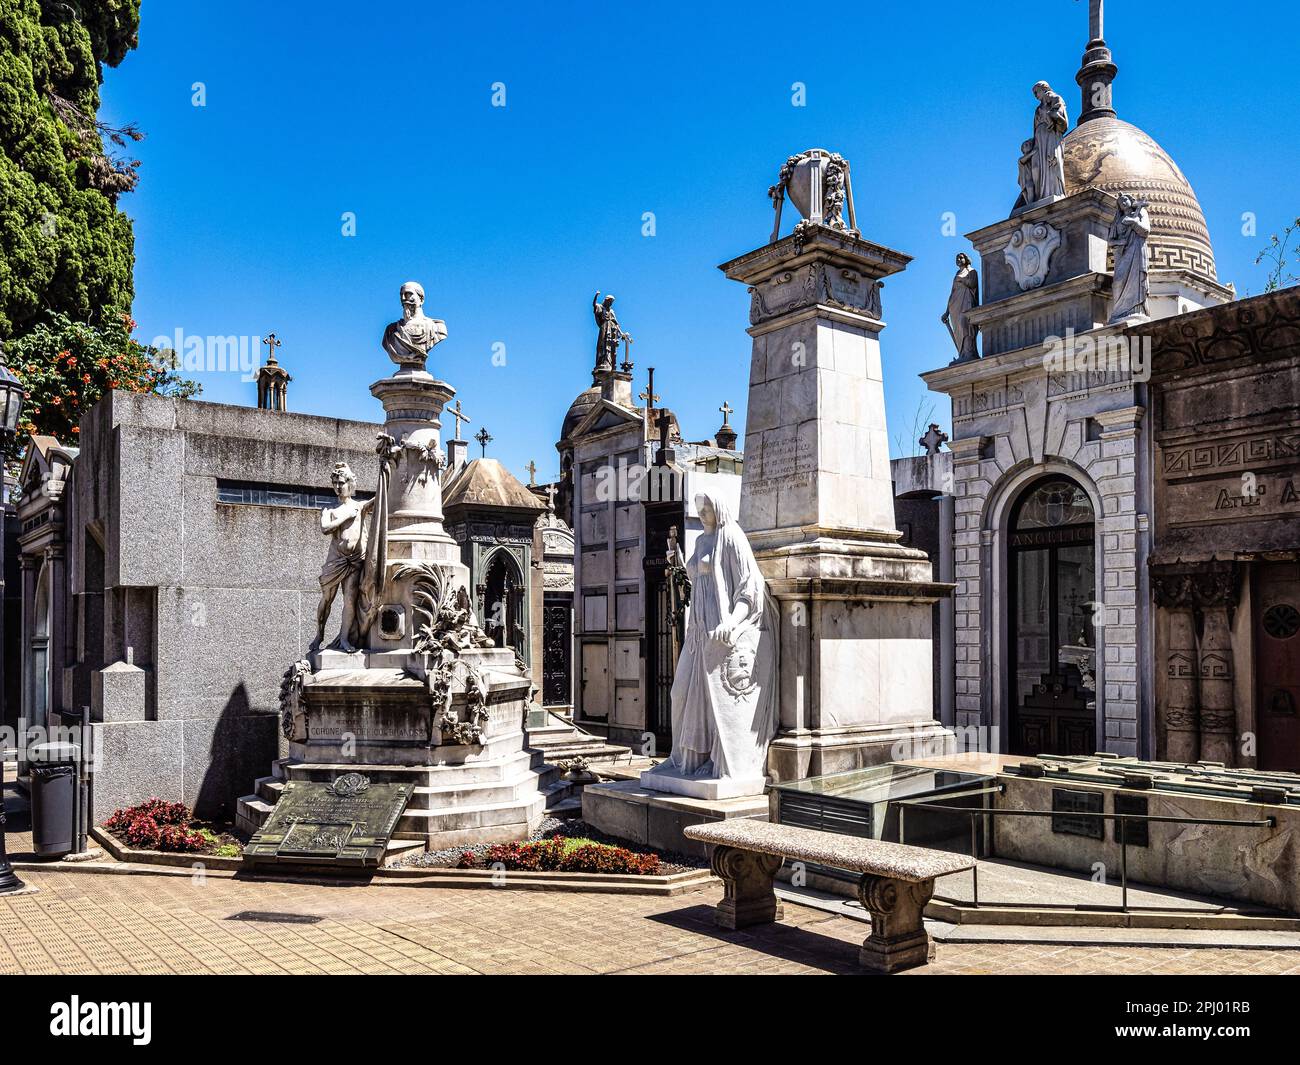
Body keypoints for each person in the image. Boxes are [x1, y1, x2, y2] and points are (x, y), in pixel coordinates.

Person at [647, 491, 776, 782]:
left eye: (707, 508)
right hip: (697, 631)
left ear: (719, 507)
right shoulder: (702, 540)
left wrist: (732, 622)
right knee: (679, 693)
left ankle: (713, 761)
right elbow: (697, 578)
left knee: (714, 699)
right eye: (699, 509)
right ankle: (683, 758)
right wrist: (679, 562)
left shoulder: (731, 537)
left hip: (719, 631)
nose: (703, 513)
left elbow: (749, 587)